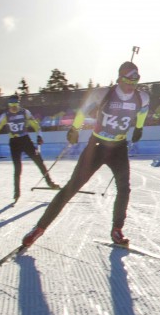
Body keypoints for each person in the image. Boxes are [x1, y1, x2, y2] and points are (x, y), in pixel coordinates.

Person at [21, 61, 150, 248]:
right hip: (96, 147)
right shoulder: (104, 94)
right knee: (71, 187)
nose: (131, 86)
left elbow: (143, 112)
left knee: (124, 188)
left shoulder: (142, 97)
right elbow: (83, 109)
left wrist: (139, 128)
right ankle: (39, 229)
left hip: (118, 148)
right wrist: (74, 128)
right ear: (119, 78)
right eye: (128, 81)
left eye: (135, 82)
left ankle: (117, 229)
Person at [0, 94, 59, 201]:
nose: (13, 107)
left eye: (15, 105)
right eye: (11, 105)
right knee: (17, 168)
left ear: (18, 104)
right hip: (14, 143)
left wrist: (39, 135)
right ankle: (16, 193)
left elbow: (36, 125)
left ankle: (50, 182)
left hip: (25, 140)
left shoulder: (24, 112)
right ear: (8, 105)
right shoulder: (5, 115)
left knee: (39, 161)